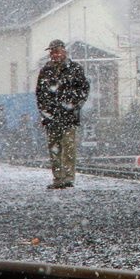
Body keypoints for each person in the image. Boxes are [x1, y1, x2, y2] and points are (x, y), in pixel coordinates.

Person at [35, 39, 89, 189]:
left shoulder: (74, 69)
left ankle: (67, 178)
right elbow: (40, 93)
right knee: (55, 148)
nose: (55, 55)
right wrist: (45, 111)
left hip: (68, 116)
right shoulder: (45, 70)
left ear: (64, 52)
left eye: (57, 51)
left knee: (68, 147)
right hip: (52, 117)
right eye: (52, 52)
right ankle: (58, 178)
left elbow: (84, 89)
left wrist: (75, 106)